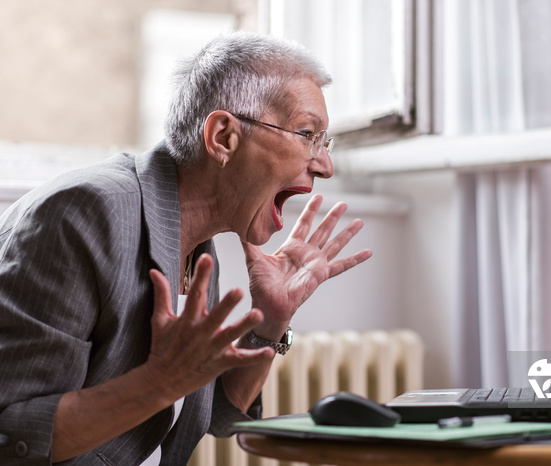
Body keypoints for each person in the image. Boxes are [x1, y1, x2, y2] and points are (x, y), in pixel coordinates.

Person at [0, 31, 372, 465]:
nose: (325, 165)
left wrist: (271, 322)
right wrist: (158, 383)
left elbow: (218, 417)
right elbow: (11, 433)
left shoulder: (195, 242)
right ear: (223, 138)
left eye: (324, 142)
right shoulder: (82, 214)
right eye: (307, 133)